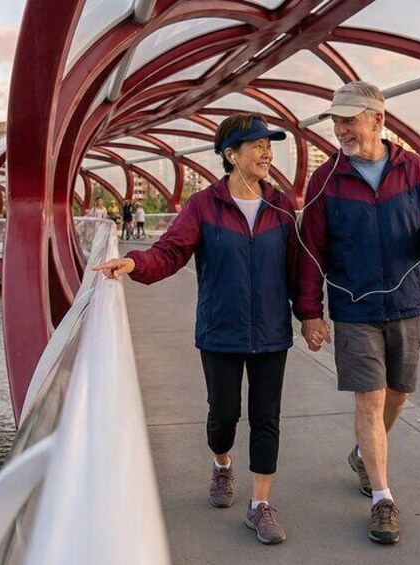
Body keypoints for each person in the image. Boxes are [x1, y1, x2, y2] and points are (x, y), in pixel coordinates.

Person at [93, 113, 299, 545]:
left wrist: (311, 315)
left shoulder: (281, 206)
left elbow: (299, 267)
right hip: (220, 330)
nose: (267, 153)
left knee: (267, 418)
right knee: (223, 416)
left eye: (269, 146)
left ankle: (260, 505)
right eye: (258, 146)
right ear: (231, 154)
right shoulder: (203, 206)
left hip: (271, 332)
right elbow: (171, 251)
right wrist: (134, 262)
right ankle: (222, 464)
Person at [297, 81, 420, 545]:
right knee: (370, 397)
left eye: (349, 120)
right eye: (336, 122)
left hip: (406, 302)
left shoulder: (414, 169)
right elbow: (311, 251)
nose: (340, 130)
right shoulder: (325, 179)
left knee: (399, 393)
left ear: (378, 120)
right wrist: (310, 312)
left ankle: (361, 455)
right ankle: (382, 498)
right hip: (354, 306)